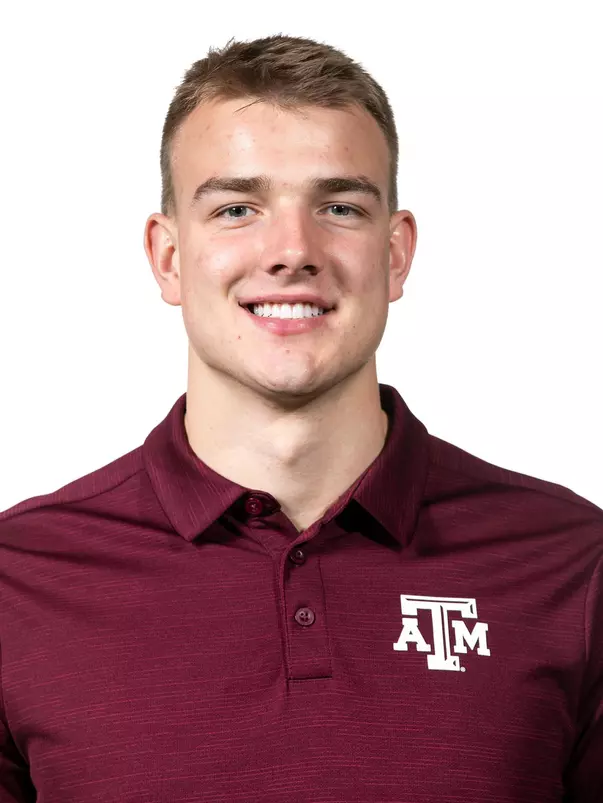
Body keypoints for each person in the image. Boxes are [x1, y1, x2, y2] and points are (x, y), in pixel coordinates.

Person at [0, 33, 601, 803]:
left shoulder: (572, 564)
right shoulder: (20, 583)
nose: (291, 251)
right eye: (237, 207)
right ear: (168, 257)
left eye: (339, 206)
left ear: (395, 254)